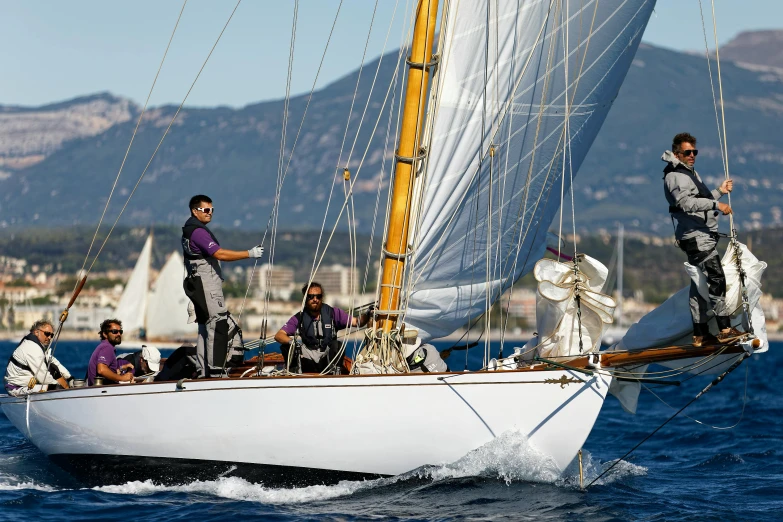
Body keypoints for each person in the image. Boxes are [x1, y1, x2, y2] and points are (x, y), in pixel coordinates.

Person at [662, 132, 742, 346]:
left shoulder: (688, 173)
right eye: (687, 152)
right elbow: (687, 204)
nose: (692, 155)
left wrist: (719, 192)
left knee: (699, 285)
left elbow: (699, 201)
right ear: (677, 153)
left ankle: (700, 334)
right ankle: (725, 328)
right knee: (716, 279)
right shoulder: (675, 176)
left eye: (694, 152)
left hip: (701, 236)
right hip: (697, 238)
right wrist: (718, 205)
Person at [181, 194, 264, 377]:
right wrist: (249, 253)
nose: (210, 213)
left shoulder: (188, 230)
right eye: (206, 210)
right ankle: (215, 372)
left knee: (204, 327)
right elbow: (220, 254)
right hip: (207, 286)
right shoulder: (198, 232)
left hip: (198, 286)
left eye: (212, 210)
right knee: (218, 324)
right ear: (195, 211)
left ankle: (203, 371)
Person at [274, 282, 372, 373]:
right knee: (287, 346)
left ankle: (335, 375)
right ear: (305, 298)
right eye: (311, 296)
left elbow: (358, 322)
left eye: (318, 296)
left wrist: (368, 313)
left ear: (322, 298)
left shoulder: (333, 313)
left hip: (327, 358)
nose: (315, 299)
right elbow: (279, 335)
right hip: (307, 357)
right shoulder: (299, 317)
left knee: (337, 345)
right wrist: (293, 343)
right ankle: (294, 375)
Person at [4, 319, 72, 396]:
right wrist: (62, 388)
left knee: (53, 367)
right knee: (56, 388)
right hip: (17, 388)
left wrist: (69, 378)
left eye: (51, 335)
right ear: (36, 332)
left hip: (28, 384)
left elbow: (53, 361)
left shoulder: (38, 347)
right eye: (47, 334)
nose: (49, 337)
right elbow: (44, 377)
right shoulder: (32, 348)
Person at [87, 319, 134, 386]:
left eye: (120, 331)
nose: (119, 334)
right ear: (105, 334)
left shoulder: (103, 346)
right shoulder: (107, 347)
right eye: (114, 331)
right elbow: (101, 370)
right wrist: (122, 378)